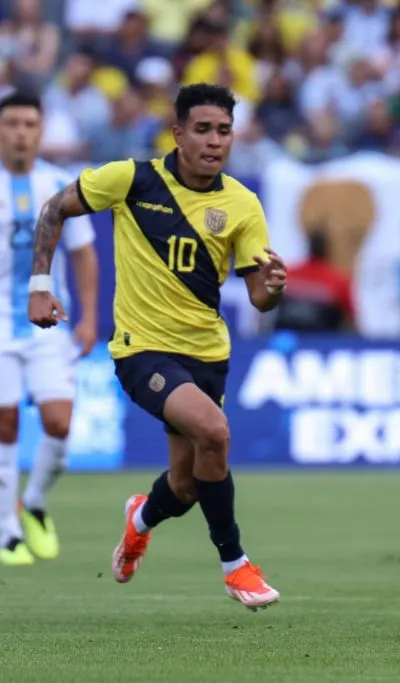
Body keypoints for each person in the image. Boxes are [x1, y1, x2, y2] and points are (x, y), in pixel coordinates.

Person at [27, 83, 286, 611]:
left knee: (186, 486)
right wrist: (39, 284)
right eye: (203, 130)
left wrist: (273, 287)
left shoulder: (242, 203)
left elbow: (258, 297)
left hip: (209, 354)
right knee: (215, 431)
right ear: (179, 134)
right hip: (141, 350)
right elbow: (55, 208)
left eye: (224, 131)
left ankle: (140, 519)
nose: (215, 142)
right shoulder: (130, 179)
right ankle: (236, 565)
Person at [0, 92, 98, 566]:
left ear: (41, 131)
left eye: (29, 124)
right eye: (12, 122)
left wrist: (91, 316)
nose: (20, 131)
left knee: (59, 423)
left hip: (48, 323)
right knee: (6, 421)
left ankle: (33, 502)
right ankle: (7, 531)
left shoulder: (60, 185)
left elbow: (83, 253)